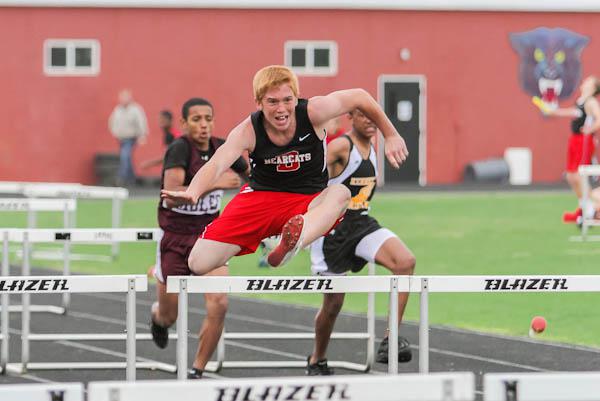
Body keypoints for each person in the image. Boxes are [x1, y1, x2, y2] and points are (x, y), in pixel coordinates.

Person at [161, 65, 408, 284]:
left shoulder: (314, 111)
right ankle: (284, 240)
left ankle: (292, 242)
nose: (282, 109)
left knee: (341, 193)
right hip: (260, 199)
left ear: (296, 97)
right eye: (272, 102)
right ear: (258, 102)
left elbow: (360, 97)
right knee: (198, 262)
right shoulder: (248, 130)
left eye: (287, 100)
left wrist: (391, 134)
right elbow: (217, 164)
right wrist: (193, 191)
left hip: (308, 200)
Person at [306, 109, 416, 375]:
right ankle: (317, 358)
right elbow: (311, 173)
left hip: (361, 223)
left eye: (374, 117)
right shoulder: (342, 146)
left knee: (405, 262)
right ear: (351, 118)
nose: (371, 121)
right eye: (364, 116)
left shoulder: (375, 147)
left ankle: (390, 339)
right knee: (333, 305)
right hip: (333, 230)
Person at [149, 97, 249, 379]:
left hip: (210, 237)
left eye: (208, 118)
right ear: (184, 124)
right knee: (170, 316)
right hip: (175, 237)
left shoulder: (222, 148)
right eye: (196, 120)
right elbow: (170, 199)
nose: (204, 125)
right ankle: (157, 316)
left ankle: (197, 370)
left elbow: (255, 177)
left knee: (219, 301)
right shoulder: (179, 149)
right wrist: (214, 183)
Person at [536, 76, 600, 222]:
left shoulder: (591, 102)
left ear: (594, 87)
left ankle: (590, 209)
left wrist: (590, 129)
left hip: (584, 141)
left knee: (578, 175)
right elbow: (570, 112)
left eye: (589, 81)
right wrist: (552, 111)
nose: (584, 81)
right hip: (574, 140)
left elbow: (599, 119)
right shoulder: (581, 102)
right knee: (571, 176)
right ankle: (584, 208)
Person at [108, 89, 149, 186]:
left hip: (131, 138)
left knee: (125, 156)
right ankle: (132, 178)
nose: (123, 100)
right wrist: (115, 132)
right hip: (121, 138)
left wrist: (142, 135)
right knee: (127, 158)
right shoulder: (118, 109)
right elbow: (112, 121)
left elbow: (141, 122)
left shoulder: (135, 109)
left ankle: (121, 178)